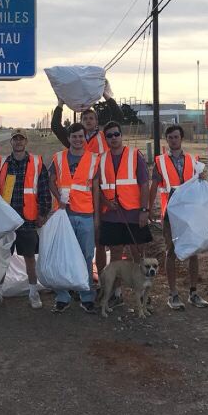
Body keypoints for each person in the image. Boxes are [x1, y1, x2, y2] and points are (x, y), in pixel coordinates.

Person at [52, 79, 124, 280]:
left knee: (100, 242)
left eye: (92, 118)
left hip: (103, 191)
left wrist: (107, 96)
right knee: (77, 243)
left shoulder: (105, 137)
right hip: (81, 200)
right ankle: (76, 278)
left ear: (97, 120)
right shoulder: (75, 139)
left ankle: (99, 278)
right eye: (86, 118)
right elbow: (56, 126)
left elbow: (118, 117)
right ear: (81, 121)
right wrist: (60, 103)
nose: (89, 121)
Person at [0, 128, 51, 311]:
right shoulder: (1, 163)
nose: (18, 142)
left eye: (21, 139)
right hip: (6, 219)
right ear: (11, 142)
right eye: (15, 139)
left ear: (26, 141)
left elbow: (44, 189)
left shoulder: (37, 163)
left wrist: (43, 213)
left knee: (29, 257)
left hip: (27, 219)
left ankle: (33, 292)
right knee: (3, 257)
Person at [93, 121, 153, 308]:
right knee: (116, 256)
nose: (113, 138)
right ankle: (116, 293)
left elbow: (144, 184)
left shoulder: (135, 155)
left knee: (138, 255)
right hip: (112, 215)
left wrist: (144, 210)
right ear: (105, 138)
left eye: (116, 134)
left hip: (134, 214)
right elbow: (97, 188)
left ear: (121, 135)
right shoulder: (101, 159)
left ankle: (143, 293)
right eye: (109, 135)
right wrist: (106, 202)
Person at [150, 125, 208, 311]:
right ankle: (173, 294)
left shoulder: (193, 160)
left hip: (189, 213)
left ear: (181, 138)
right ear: (166, 139)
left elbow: (200, 183)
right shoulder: (160, 162)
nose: (173, 140)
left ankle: (193, 292)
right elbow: (154, 187)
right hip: (170, 214)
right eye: (170, 137)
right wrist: (148, 209)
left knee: (193, 252)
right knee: (171, 252)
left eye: (176, 137)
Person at [47, 122, 100, 313]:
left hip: (85, 214)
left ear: (85, 138)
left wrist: (96, 216)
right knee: (62, 256)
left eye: (80, 136)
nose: (77, 140)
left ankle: (86, 296)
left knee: (86, 256)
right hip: (64, 215)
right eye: (74, 136)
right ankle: (63, 297)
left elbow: (95, 188)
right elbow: (51, 180)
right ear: (68, 138)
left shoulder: (93, 159)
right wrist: (58, 198)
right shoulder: (59, 157)